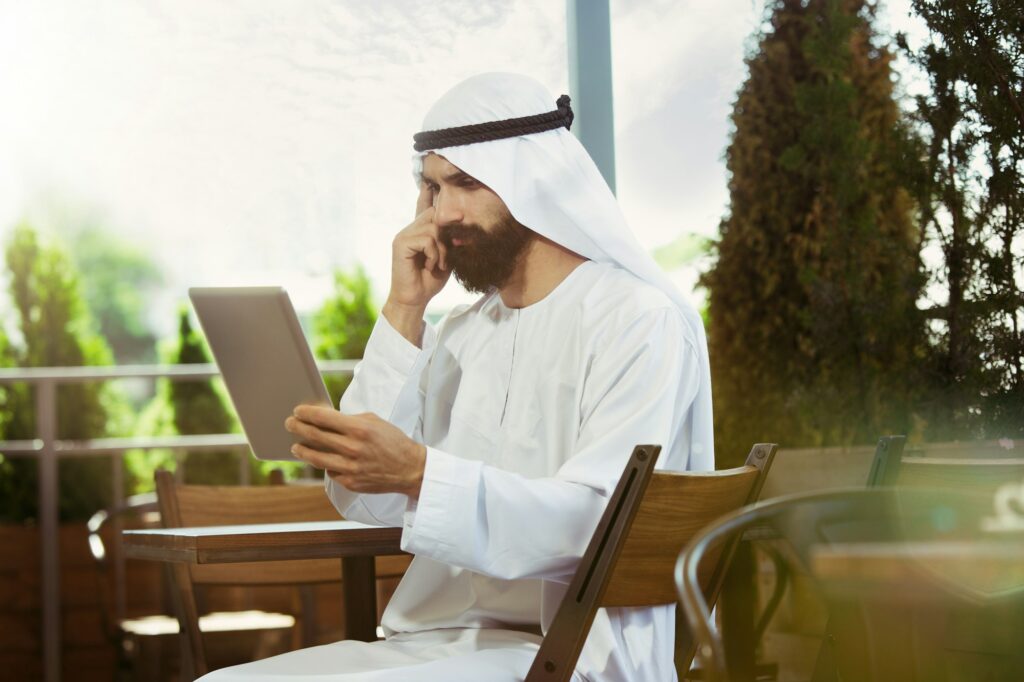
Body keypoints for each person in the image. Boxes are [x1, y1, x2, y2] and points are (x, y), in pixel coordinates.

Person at [201, 72, 713, 682]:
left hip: (574, 654)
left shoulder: (638, 320)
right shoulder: (462, 332)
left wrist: (420, 471)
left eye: (465, 183)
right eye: (432, 188)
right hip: (445, 642)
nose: (444, 213)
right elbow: (364, 502)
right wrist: (404, 309)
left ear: (536, 182)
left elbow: (597, 525)